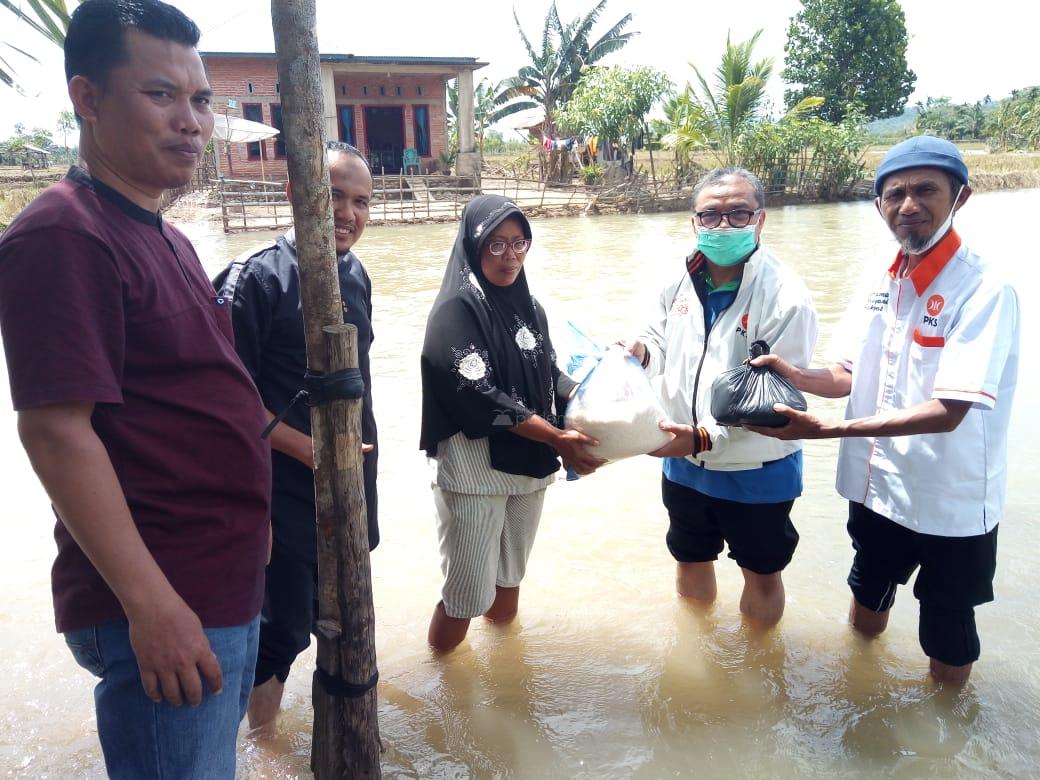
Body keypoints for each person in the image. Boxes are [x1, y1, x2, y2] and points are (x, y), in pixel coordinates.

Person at [0, 1, 271, 777]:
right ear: (87, 98)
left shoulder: (163, 234)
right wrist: (152, 608)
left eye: (201, 100)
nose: (191, 121)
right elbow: (55, 430)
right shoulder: (63, 235)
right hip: (167, 598)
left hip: (217, 576)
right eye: (161, 95)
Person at [749, 136, 1020, 686]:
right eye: (894, 193)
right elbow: (849, 372)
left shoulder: (987, 288)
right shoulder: (880, 278)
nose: (908, 205)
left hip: (950, 498)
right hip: (877, 485)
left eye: (926, 190)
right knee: (868, 589)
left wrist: (829, 429)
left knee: (947, 622)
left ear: (959, 197)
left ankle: (942, 736)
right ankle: (861, 684)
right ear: (878, 205)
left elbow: (948, 411)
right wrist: (795, 376)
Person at [213, 141, 379, 729]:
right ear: (293, 193)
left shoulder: (354, 274)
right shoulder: (258, 278)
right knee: (279, 628)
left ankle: (341, 726)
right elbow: (223, 400)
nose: (348, 213)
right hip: (277, 489)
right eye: (333, 195)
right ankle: (261, 743)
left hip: (346, 484)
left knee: (339, 605)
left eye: (361, 201)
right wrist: (306, 449)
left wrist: (349, 465)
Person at [627, 167, 818, 627]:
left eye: (738, 214)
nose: (723, 226)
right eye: (710, 216)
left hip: (758, 468)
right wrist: (639, 351)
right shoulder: (675, 279)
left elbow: (774, 400)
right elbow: (656, 338)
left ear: (760, 220)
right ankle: (698, 652)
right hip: (684, 462)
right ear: (694, 222)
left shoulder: (785, 295)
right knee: (690, 560)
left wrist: (704, 438)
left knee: (762, 573)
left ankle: (757, 670)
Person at [419, 194, 603, 653]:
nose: (511, 256)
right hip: (474, 471)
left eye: (519, 243)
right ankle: (445, 688)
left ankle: (506, 675)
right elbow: (480, 397)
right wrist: (558, 436)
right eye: (496, 245)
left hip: (529, 464)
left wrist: (587, 390)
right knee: (466, 595)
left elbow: (547, 374)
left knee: (509, 578)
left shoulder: (530, 308)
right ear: (474, 246)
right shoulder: (455, 311)